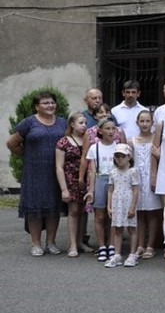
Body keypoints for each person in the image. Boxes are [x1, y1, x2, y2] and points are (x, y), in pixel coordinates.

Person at [7, 92, 68, 256]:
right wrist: (26, 154)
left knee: (53, 207)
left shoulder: (63, 122)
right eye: (45, 103)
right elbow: (11, 143)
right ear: (36, 106)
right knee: (34, 208)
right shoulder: (29, 122)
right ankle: (35, 244)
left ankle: (51, 242)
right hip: (34, 172)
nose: (50, 105)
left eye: (52, 102)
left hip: (56, 170)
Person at [83, 117, 119, 261]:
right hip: (100, 179)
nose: (110, 131)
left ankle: (111, 244)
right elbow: (91, 171)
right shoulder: (94, 147)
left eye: (113, 128)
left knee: (112, 215)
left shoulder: (118, 146)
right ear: (100, 131)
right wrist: (91, 190)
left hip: (115, 181)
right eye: (107, 128)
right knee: (99, 215)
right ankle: (102, 245)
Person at [55, 112, 90, 257]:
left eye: (85, 123)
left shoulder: (88, 140)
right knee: (74, 211)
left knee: (84, 211)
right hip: (71, 180)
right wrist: (64, 189)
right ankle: (73, 244)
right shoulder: (63, 142)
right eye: (81, 123)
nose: (84, 126)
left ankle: (81, 241)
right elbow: (59, 167)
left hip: (87, 180)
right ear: (72, 124)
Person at [131, 110, 161, 260]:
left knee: (152, 213)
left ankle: (150, 245)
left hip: (151, 177)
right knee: (140, 213)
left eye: (147, 121)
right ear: (137, 123)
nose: (144, 124)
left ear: (152, 123)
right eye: (141, 121)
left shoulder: (155, 140)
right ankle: (140, 245)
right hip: (137, 180)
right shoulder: (132, 141)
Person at [104, 143, 140, 268]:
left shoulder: (132, 172)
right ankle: (117, 254)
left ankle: (132, 254)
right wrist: (109, 206)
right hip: (117, 202)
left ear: (129, 157)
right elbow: (110, 189)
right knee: (117, 229)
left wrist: (132, 207)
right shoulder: (113, 172)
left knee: (131, 228)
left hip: (128, 202)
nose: (119, 159)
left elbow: (135, 190)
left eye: (122, 156)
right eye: (117, 156)